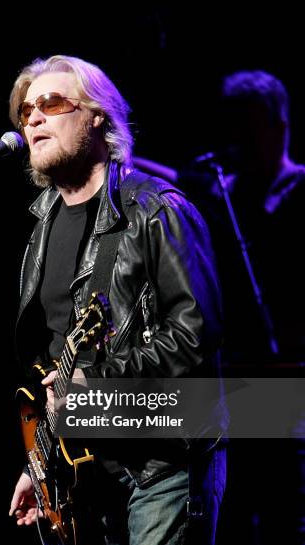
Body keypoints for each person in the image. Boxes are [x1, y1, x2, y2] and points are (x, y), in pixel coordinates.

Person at [7, 54, 227, 545]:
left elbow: (196, 333)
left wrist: (98, 382)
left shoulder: (158, 210)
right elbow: (54, 362)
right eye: (26, 110)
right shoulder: (42, 227)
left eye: (52, 104)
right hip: (86, 478)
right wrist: (43, 464)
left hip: (162, 462)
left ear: (97, 116)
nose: (33, 118)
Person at [135, 70, 305, 366]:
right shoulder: (225, 191)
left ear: (279, 128)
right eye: (233, 129)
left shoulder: (300, 189)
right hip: (241, 360)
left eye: (249, 129)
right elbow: (173, 179)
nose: (237, 142)